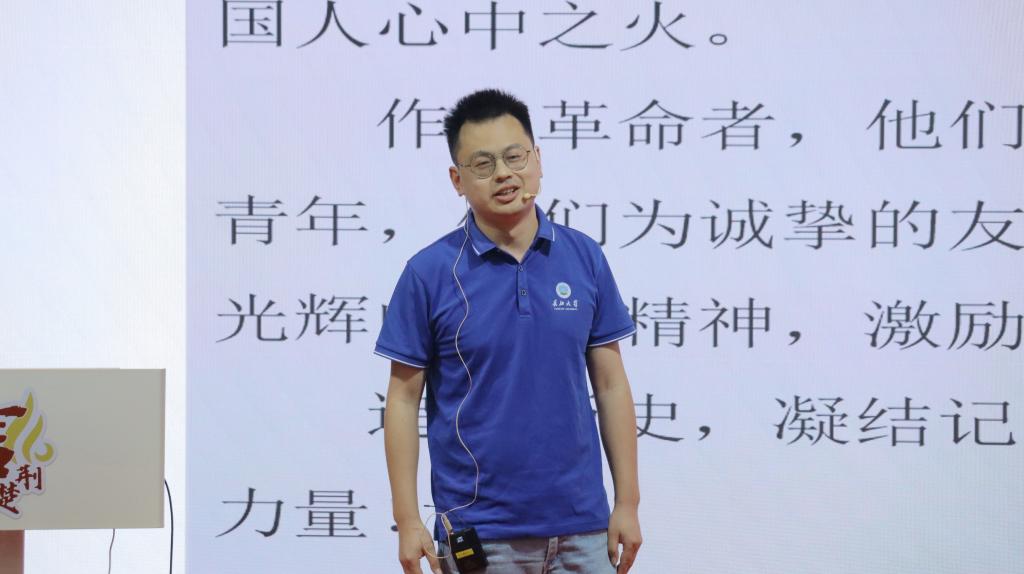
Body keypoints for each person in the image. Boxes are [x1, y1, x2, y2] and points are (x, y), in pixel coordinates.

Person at [375, 88, 642, 574]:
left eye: (514, 157)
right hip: (480, 535)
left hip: (584, 528)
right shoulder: (430, 273)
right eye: (483, 164)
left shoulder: (584, 257)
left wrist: (627, 502)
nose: (503, 173)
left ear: (537, 159)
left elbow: (610, 385)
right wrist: (407, 519)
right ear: (457, 180)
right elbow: (403, 400)